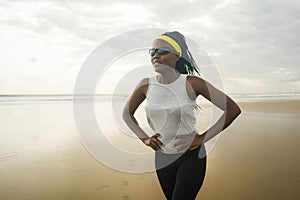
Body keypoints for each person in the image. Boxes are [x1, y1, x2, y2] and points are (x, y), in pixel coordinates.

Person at [122, 31, 241, 200]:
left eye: (162, 51)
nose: (156, 55)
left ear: (176, 56)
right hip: (162, 157)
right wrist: (145, 139)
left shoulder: (192, 83)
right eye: (152, 52)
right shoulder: (146, 85)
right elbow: (127, 114)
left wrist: (201, 138)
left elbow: (232, 109)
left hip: (191, 157)